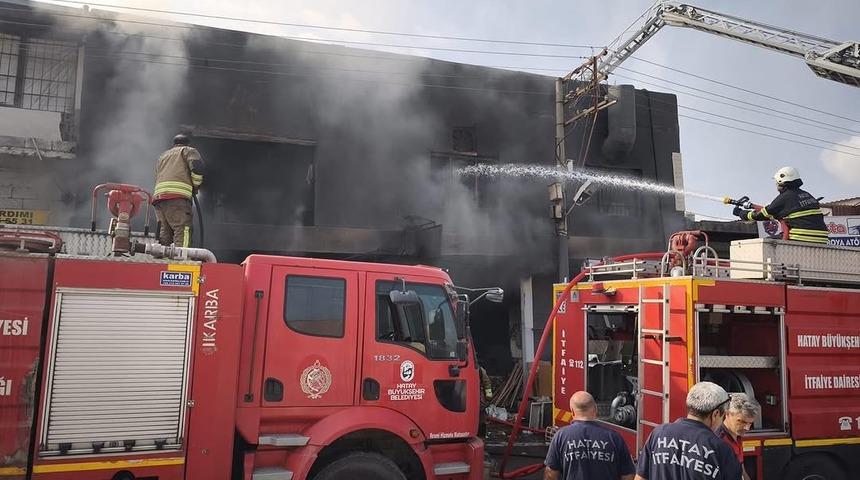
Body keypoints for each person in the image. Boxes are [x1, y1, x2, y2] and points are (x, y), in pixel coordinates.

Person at [634, 382, 742, 480]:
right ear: (715, 414)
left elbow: (640, 478)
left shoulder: (659, 433)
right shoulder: (722, 450)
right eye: (723, 417)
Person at [544, 391, 635, 480]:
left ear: (572, 412)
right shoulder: (614, 438)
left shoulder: (561, 436)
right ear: (595, 409)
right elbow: (628, 476)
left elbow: (551, 475)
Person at [733, 166, 829, 244]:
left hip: (801, 237)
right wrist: (751, 206)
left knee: (765, 244)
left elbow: (762, 215)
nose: (776, 185)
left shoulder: (785, 197)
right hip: (822, 239)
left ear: (781, 181)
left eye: (776, 182)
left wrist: (741, 213)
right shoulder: (807, 195)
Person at [153, 133, 204, 247]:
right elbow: (197, 169)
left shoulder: (163, 156)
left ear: (174, 144)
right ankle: (183, 257)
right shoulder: (189, 151)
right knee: (183, 229)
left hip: (159, 198)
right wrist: (196, 186)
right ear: (187, 144)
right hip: (177, 197)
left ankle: (162, 258)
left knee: (165, 232)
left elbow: (157, 175)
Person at [717, 394, 760, 480]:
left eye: (750, 423)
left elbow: (741, 470)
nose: (747, 428)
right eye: (742, 422)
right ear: (727, 414)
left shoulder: (737, 437)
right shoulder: (718, 440)